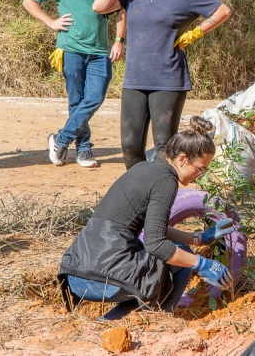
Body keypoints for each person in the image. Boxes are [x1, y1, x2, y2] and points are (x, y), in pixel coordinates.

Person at [58, 116, 234, 321]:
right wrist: (202, 263)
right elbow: (156, 244)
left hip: (76, 273)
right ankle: (157, 322)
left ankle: (107, 323)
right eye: (200, 169)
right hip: (100, 279)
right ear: (182, 159)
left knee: (156, 272)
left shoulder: (145, 168)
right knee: (178, 261)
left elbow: (156, 228)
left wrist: (199, 238)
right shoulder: (166, 181)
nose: (200, 176)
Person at [93, 0, 232, 170]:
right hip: (135, 78)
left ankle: (162, 194)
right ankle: (137, 193)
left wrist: (195, 33)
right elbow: (99, 6)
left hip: (168, 79)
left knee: (163, 146)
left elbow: (222, 10)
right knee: (129, 145)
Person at [22, 0, 126, 168]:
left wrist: (119, 40)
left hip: (100, 51)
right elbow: (29, 0)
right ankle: (84, 149)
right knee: (76, 100)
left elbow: (121, 9)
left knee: (95, 97)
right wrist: (51, 22)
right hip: (70, 49)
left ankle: (60, 139)